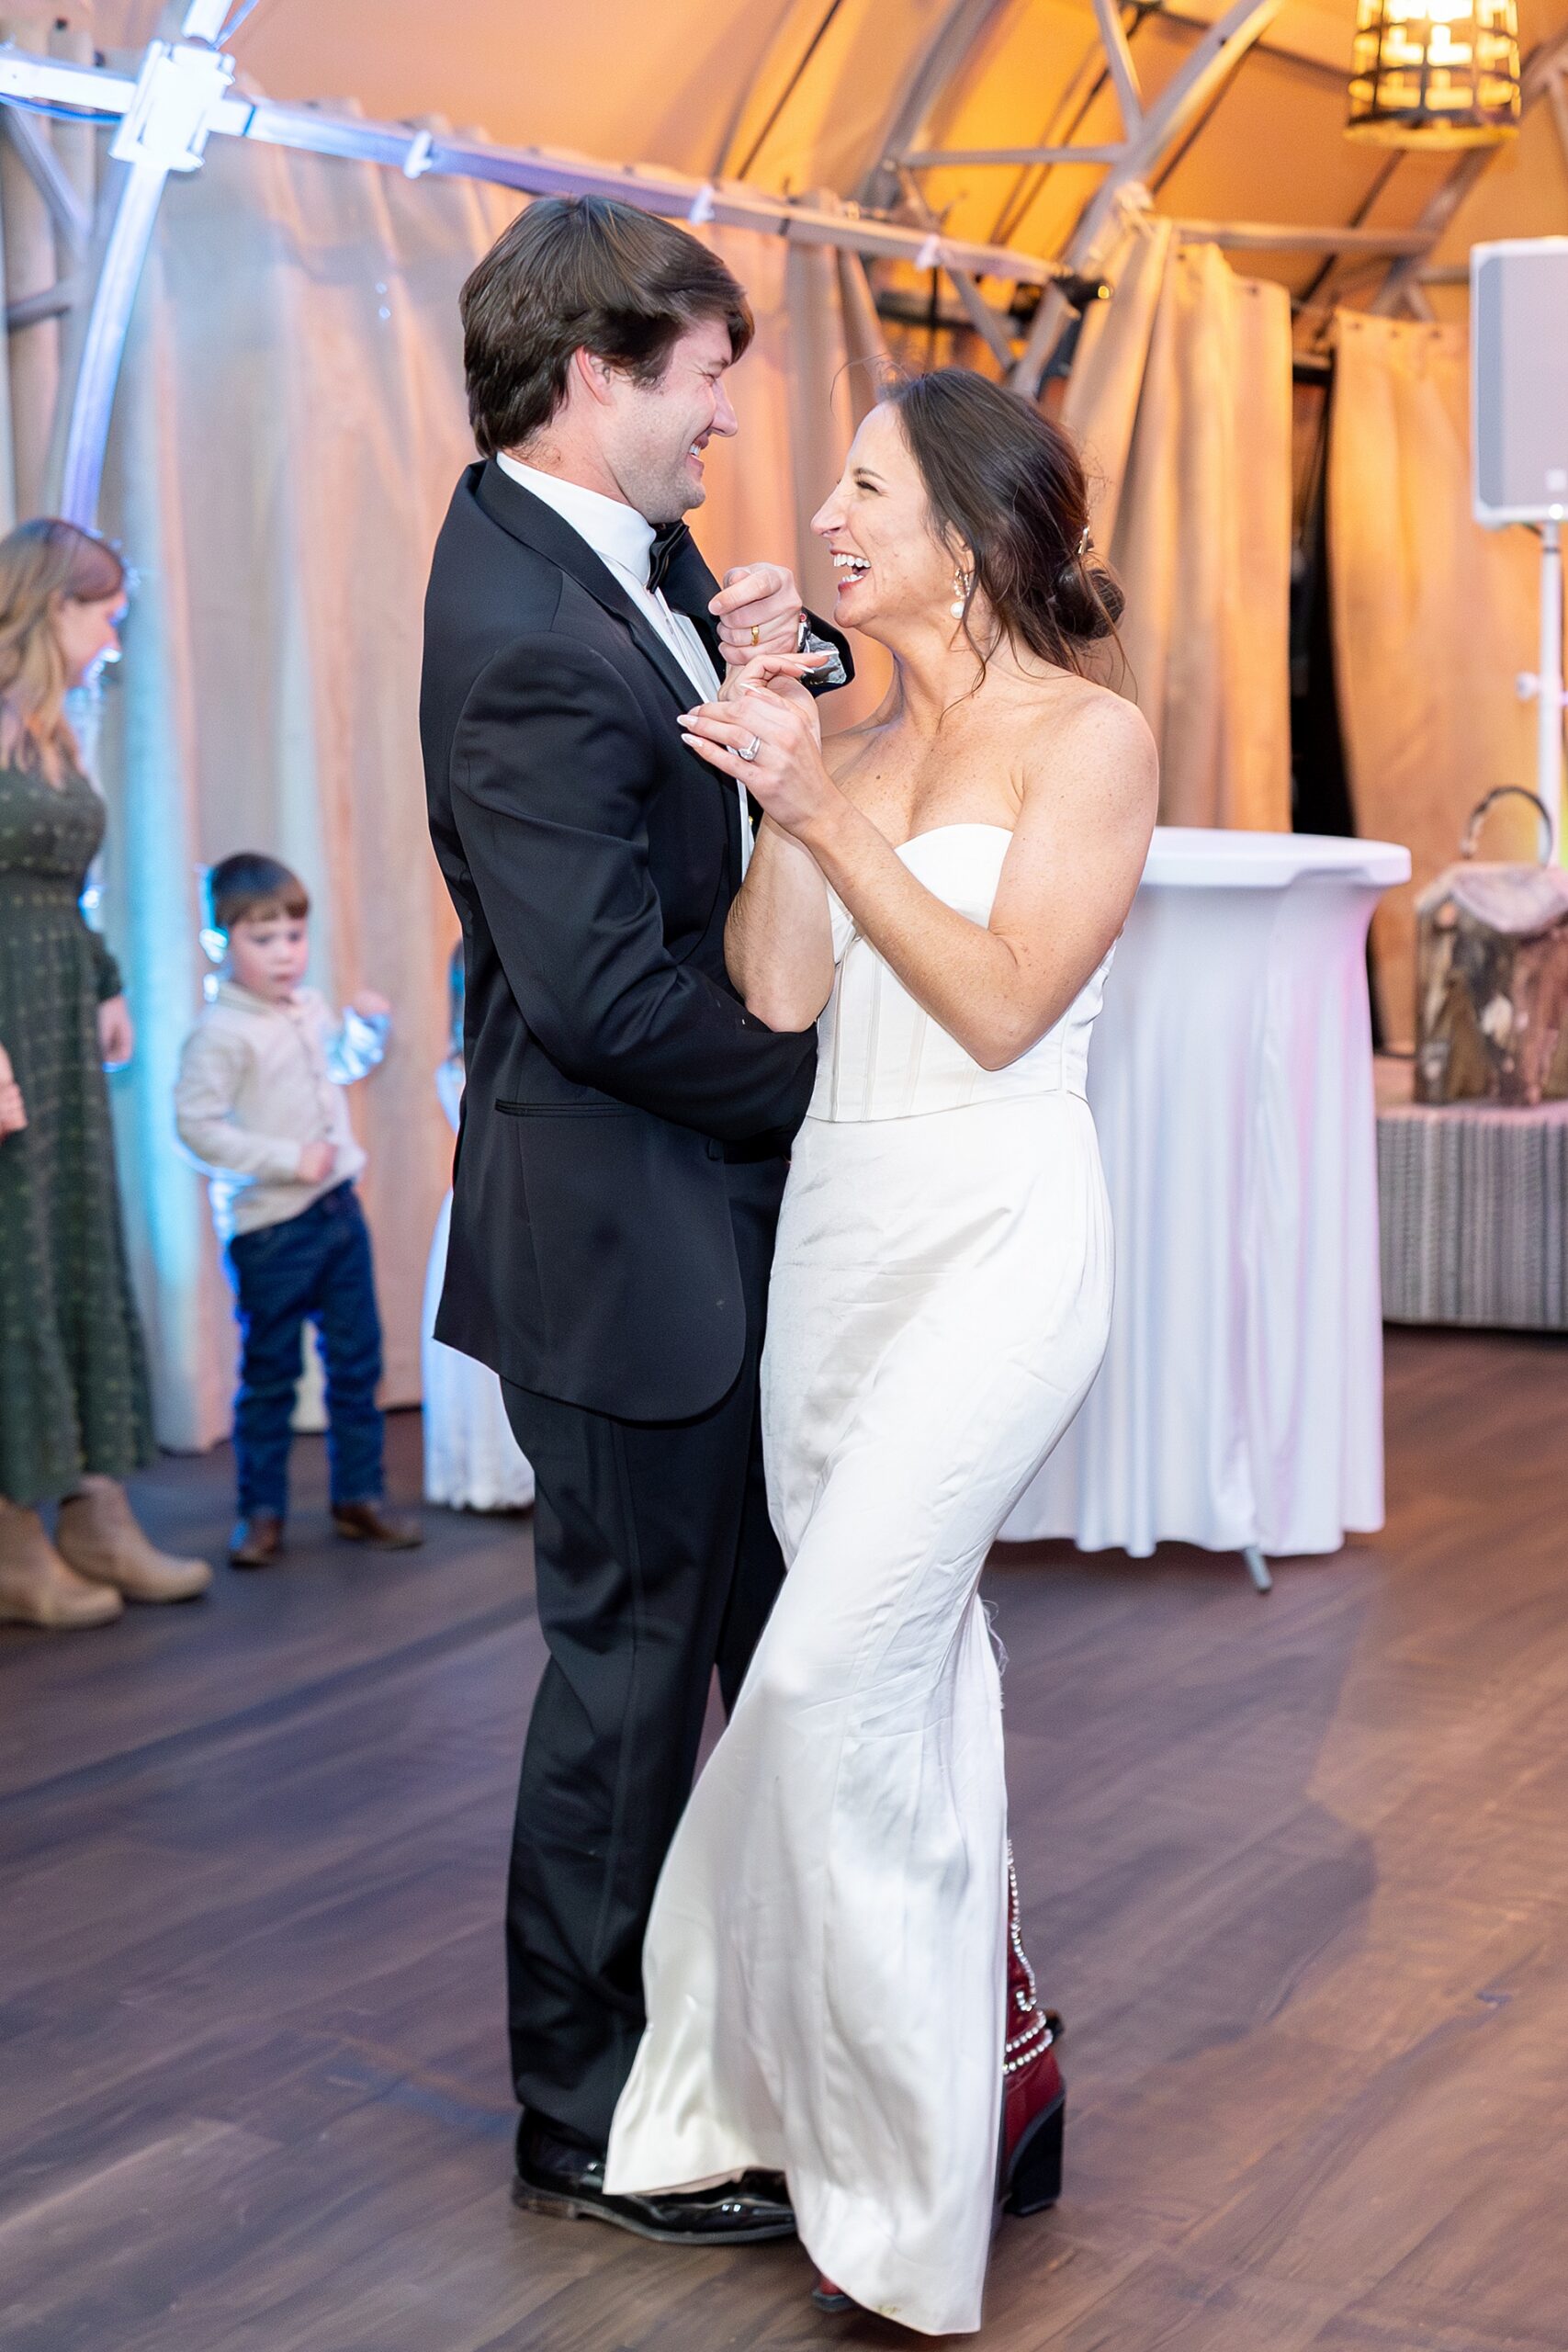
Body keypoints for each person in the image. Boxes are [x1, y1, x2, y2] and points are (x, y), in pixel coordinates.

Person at [604, 370, 1159, 2334]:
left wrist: (827, 805)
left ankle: (888, 2169)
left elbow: (1005, 1005)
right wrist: (794, 767)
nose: (824, 520)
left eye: (860, 488)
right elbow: (772, 990)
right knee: (899, 1678)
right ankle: (993, 2070)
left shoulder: (1085, 740)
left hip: (998, 1240)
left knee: (828, 1677)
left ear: (969, 527)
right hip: (839, 1242)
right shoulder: (867, 738)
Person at [420, 193, 852, 2245]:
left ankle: (718, 2043)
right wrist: (847, 1102)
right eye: (703, 388)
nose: (726, 434)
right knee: (623, 1678)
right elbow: (599, 995)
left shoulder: (603, 548)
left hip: (690, 1207)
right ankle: (578, 2112)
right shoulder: (515, 626)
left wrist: (784, 650)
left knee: (723, 1654)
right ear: (595, 377)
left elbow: (701, 718)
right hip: (620, 1230)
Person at [0, 517, 212, 1631]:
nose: (109, 641)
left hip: (57, 1017)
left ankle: (94, 1509)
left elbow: (52, 887)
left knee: (72, 1244)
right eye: (103, 617)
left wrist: (111, 978)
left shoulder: (49, 731)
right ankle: (10, 1535)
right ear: (50, 609)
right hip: (4, 1028)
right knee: (11, 1261)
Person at [175, 853, 423, 1568]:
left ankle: (359, 1497)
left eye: (293, 935)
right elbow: (197, 1129)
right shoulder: (219, 1033)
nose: (285, 953)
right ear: (220, 943)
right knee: (271, 1374)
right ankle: (260, 1512)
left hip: (338, 1214)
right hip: (270, 1230)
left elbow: (338, 1065)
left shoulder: (307, 1008)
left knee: (356, 1363)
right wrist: (288, 1158)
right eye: (263, 938)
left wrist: (366, 1033)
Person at [421, 944, 536, 1510]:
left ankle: (514, 1473)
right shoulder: (463, 1066)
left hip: (505, 1207)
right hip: (489, 1210)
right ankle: (491, 1476)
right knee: (490, 1354)